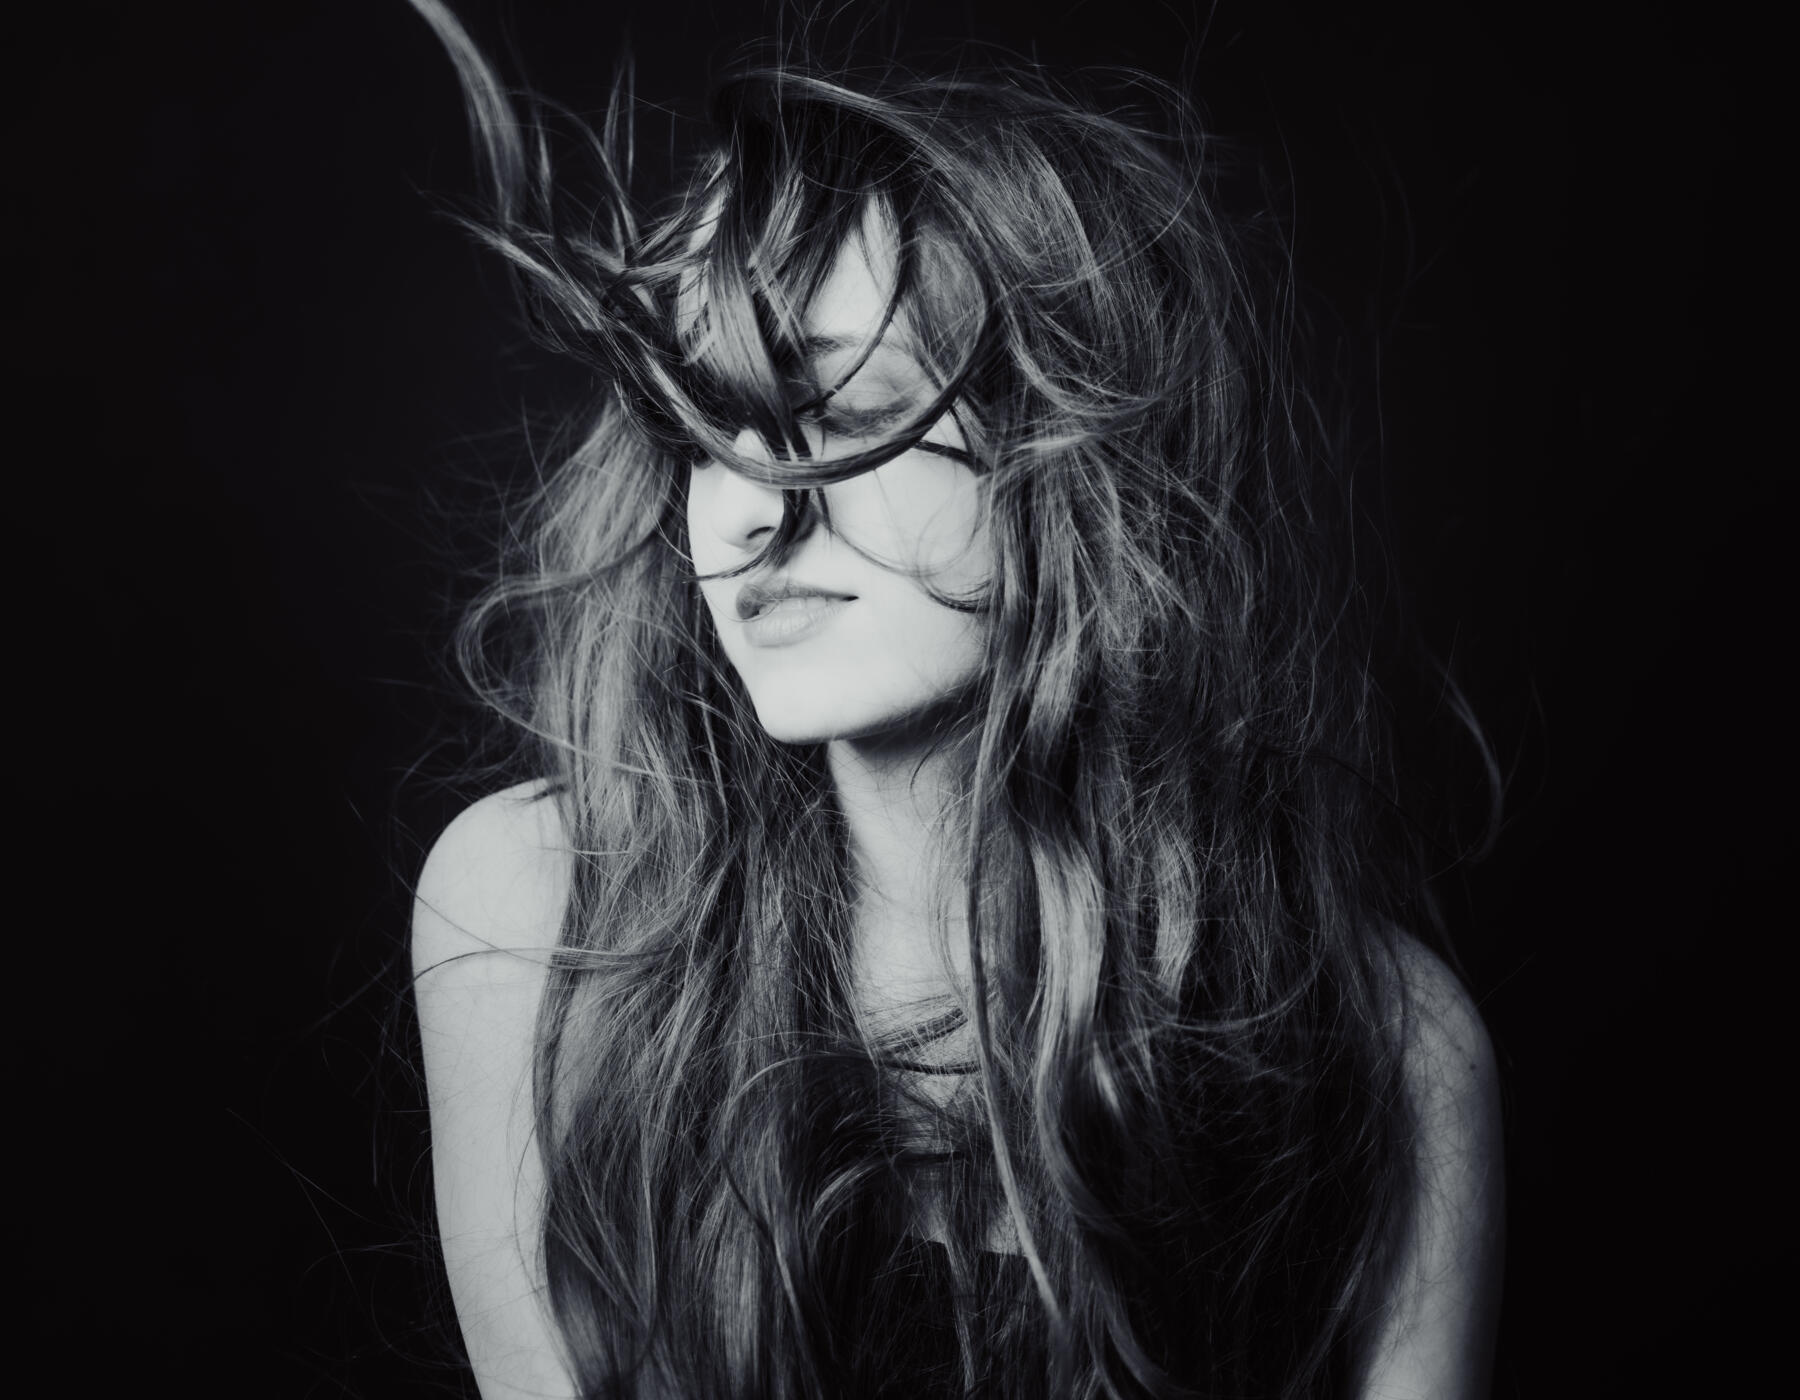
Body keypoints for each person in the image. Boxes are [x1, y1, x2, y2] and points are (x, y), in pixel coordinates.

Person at [407, 4, 1504, 1396]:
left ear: (1076, 453)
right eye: (705, 428)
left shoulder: (1385, 1051)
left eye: (846, 413)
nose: (749, 511)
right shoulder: (537, 918)